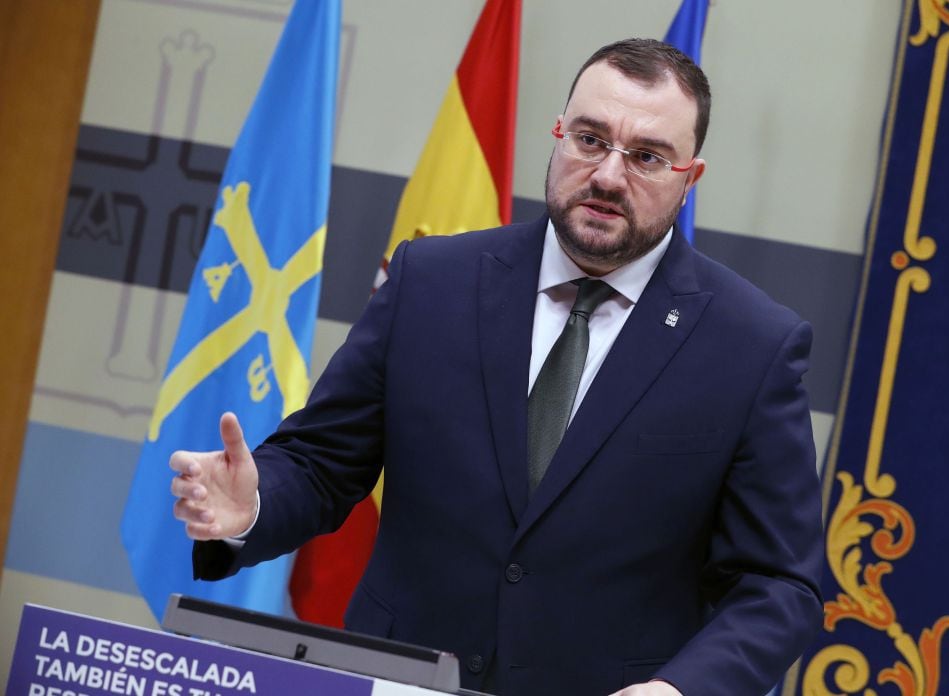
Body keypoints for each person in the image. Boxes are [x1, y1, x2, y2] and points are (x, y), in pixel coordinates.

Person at [171, 38, 824, 696]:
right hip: (399, 681)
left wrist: (682, 689)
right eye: (590, 140)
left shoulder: (751, 347)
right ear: (558, 134)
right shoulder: (431, 282)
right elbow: (321, 462)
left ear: (690, 178)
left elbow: (778, 584)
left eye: (646, 157)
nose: (607, 176)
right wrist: (254, 502)